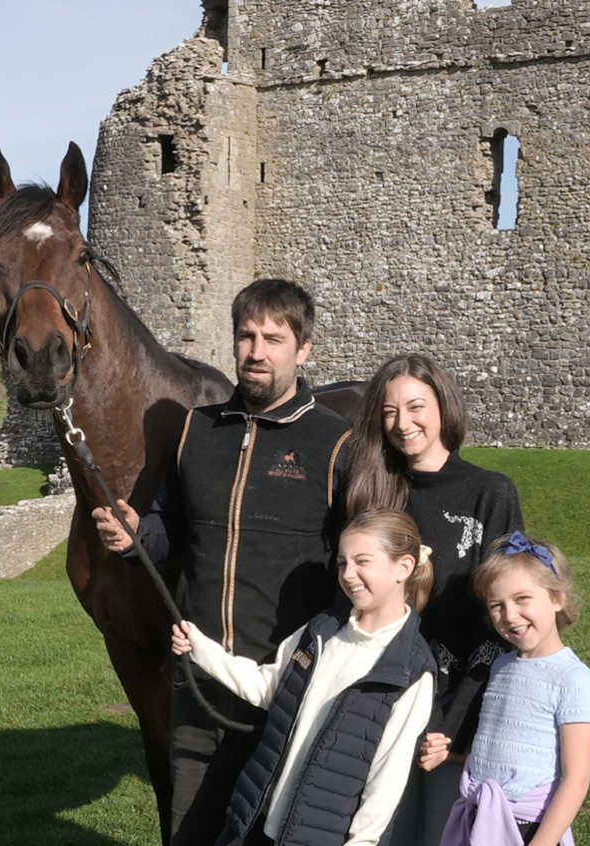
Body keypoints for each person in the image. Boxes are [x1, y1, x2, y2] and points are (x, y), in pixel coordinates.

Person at [94, 278, 352, 845]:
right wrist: (136, 537)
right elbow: (168, 530)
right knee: (193, 831)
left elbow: (363, 564)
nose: (256, 352)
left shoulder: (336, 443)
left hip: (288, 679)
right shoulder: (197, 430)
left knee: (277, 833)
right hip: (200, 674)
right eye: (245, 336)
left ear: (303, 349)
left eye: (274, 339)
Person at [171, 508, 437, 846]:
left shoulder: (409, 672)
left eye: (362, 561)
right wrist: (200, 648)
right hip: (257, 822)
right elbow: (267, 686)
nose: (348, 574)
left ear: (404, 567)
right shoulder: (322, 629)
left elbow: (386, 781)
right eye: (342, 563)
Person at [343, 353, 524, 845]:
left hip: (455, 717)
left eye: (416, 406)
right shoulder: (373, 495)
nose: (403, 424)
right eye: (388, 412)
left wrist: (455, 725)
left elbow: (502, 623)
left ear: (443, 406)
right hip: (381, 707)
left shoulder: (490, 493)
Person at [437, 532, 590, 846]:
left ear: (557, 598)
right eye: (497, 605)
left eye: (523, 599)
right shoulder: (500, 666)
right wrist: (455, 755)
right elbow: (500, 739)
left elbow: (576, 779)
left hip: (529, 830)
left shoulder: (571, 677)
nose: (510, 616)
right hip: (480, 822)